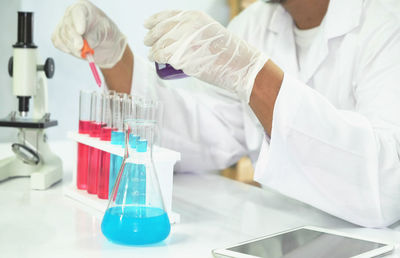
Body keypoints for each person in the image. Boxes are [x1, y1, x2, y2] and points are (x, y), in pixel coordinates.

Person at [52, 0, 400, 227]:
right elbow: (201, 133)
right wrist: (115, 57)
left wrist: (252, 74)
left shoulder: (387, 22)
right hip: (281, 234)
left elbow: (387, 185)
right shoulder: (255, 24)